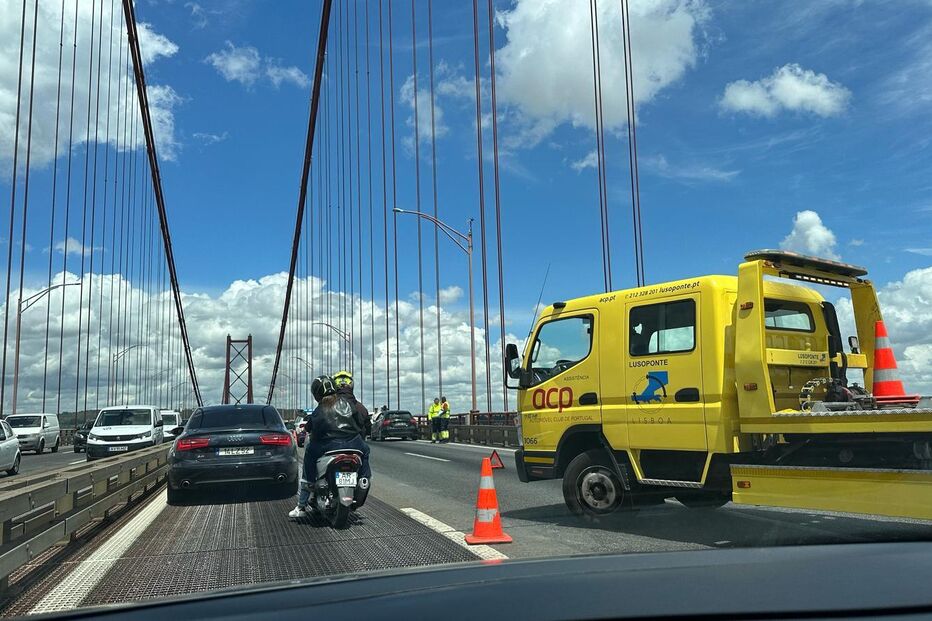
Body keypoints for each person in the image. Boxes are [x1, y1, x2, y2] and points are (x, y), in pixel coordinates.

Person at [289, 375, 371, 520]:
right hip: (354, 443)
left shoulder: (320, 408)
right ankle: (364, 478)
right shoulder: (348, 404)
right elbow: (360, 423)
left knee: (309, 454)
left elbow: (309, 428)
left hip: (329, 446)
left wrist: (306, 430)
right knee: (365, 451)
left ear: (316, 393)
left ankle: (302, 504)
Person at [333, 370, 372, 439]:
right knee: (366, 448)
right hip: (356, 446)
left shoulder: (326, 406)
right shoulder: (361, 408)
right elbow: (368, 429)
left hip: (331, 446)